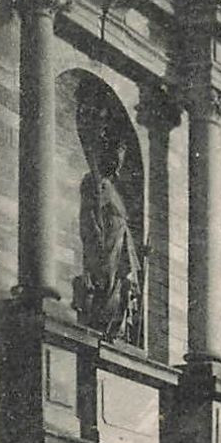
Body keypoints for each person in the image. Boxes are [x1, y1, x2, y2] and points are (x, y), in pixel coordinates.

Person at [78, 137, 143, 342]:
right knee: (105, 285)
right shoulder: (95, 182)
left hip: (121, 245)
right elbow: (88, 215)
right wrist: (96, 236)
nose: (118, 164)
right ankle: (102, 327)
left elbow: (122, 223)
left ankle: (117, 331)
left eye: (120, 160)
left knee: (123, 287)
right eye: (115, 159)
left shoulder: (114, 190)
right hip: (105, 246)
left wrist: (137, 250)